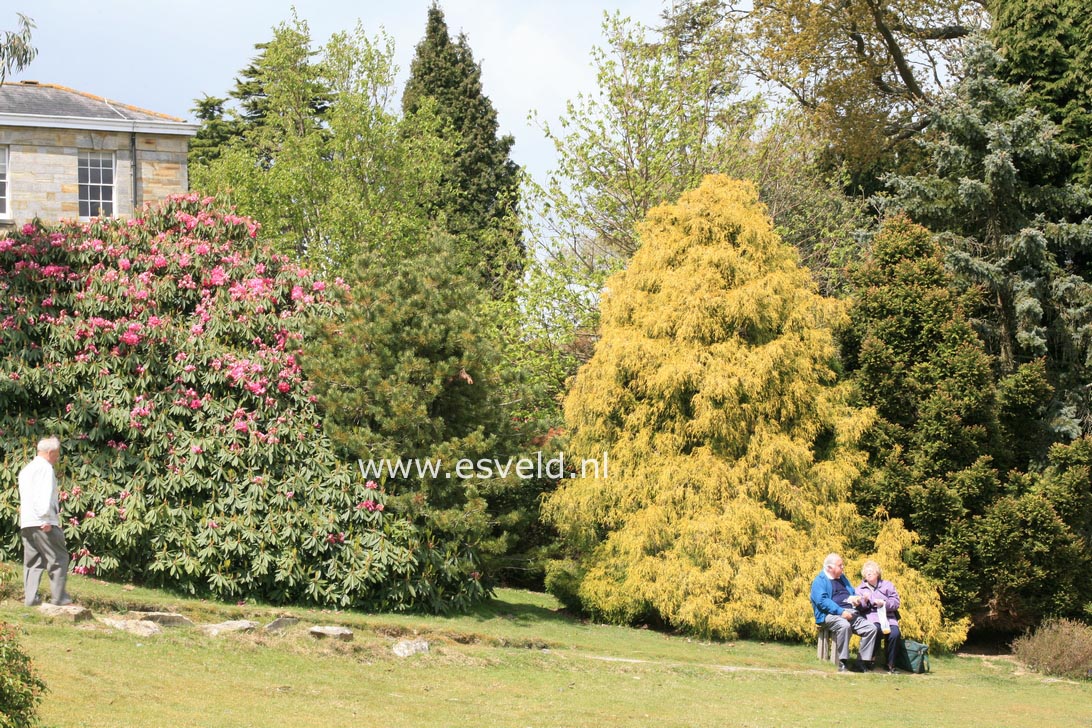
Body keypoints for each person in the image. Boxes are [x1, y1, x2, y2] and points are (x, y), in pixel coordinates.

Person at [18, 436, 72, 607]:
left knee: (32, 561)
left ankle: (31, 599)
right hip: (43, 521)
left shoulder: (26, 469)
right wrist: (47, 518)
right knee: (58, 558)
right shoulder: (45, 468)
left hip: (27, 522)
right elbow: (44, 495)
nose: (57, 458)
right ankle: (59, 598)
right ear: (50, 452)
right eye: (56, 455)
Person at [810, 553, 878, 672]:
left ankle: (860, 662)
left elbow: (851, 592)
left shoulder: (842, 577)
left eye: (842, 565)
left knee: (871, 628)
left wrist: (855, 600)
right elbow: (822, 601)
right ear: (830, 568)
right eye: (840, 565)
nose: (843, 568)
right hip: (829, 615)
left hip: (850, 612)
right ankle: (843, 662)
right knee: (844, 625)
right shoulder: (819, 581)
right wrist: (841, 612)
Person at [856, 560, 902, 674]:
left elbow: (896, 602)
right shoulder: (860, 589)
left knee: (895, 633)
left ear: (877, 573)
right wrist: (864, 601)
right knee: (875, 629)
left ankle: (890, 664)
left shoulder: (887, 585)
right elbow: (858, 608)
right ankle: (869, 658)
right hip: (871, 616)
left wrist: (884, 603)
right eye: (866, 572)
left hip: (888, 616)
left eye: (871, 571)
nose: (868, 573)